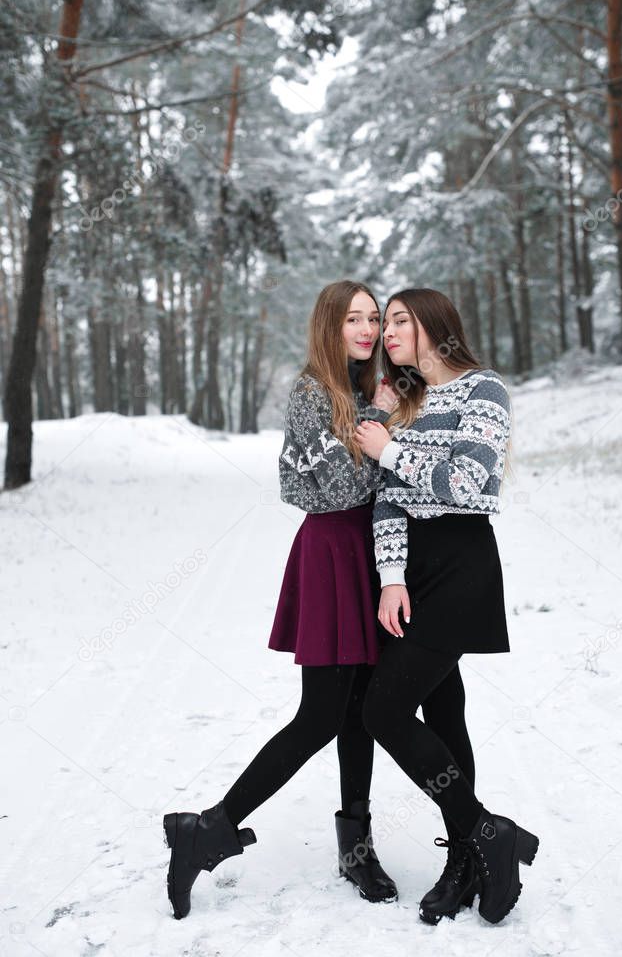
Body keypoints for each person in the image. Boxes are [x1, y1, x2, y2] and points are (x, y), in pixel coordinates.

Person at [162, 280, 400, 920]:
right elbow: (337, 488)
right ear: (329, 323)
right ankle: (209, 829)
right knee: (321, 713)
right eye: (354, 318)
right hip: (331, 556)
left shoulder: (354, 389)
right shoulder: (313, 394)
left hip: (369, 555)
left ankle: (356, 845)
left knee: (360, 710)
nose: (367, 329)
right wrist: (379, 425)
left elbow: (376, 477)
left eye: (373, 318)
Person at [354, 288, 539, 926]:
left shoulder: (483, 390)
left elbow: (472, 483)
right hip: (416, 573)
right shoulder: (402, 401)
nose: (389, 331)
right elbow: (387, 498)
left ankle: (485, 834)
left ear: (436, 326)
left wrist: (391, 451)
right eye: (387, 323)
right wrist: (391, 576)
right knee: (444, 708)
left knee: (384, 709)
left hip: (462, 564)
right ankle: (469, 854)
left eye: (401, 320)